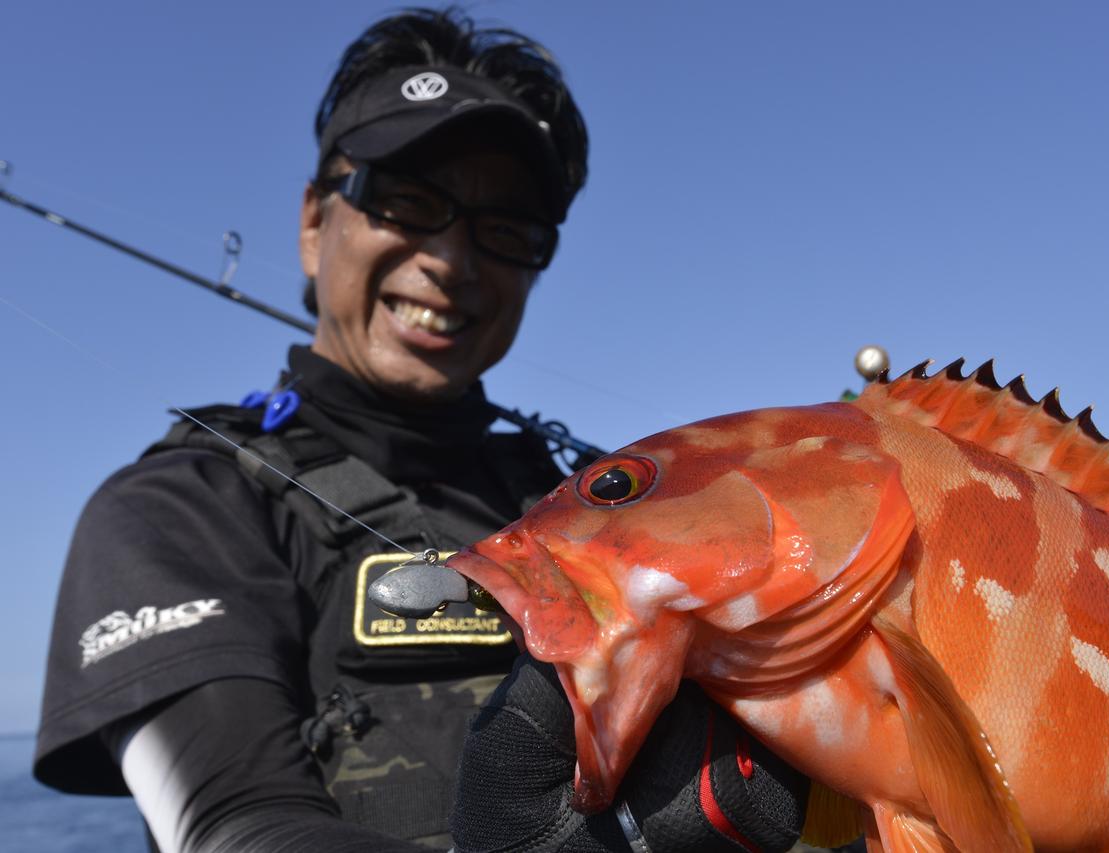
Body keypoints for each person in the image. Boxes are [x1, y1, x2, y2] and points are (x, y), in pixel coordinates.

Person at [33, 7, 817, 852]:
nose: (450, 259)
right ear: (312, 221)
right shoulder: (176, 507)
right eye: (407, 200)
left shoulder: (586, 505)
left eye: (506, 228)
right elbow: (234, 824)